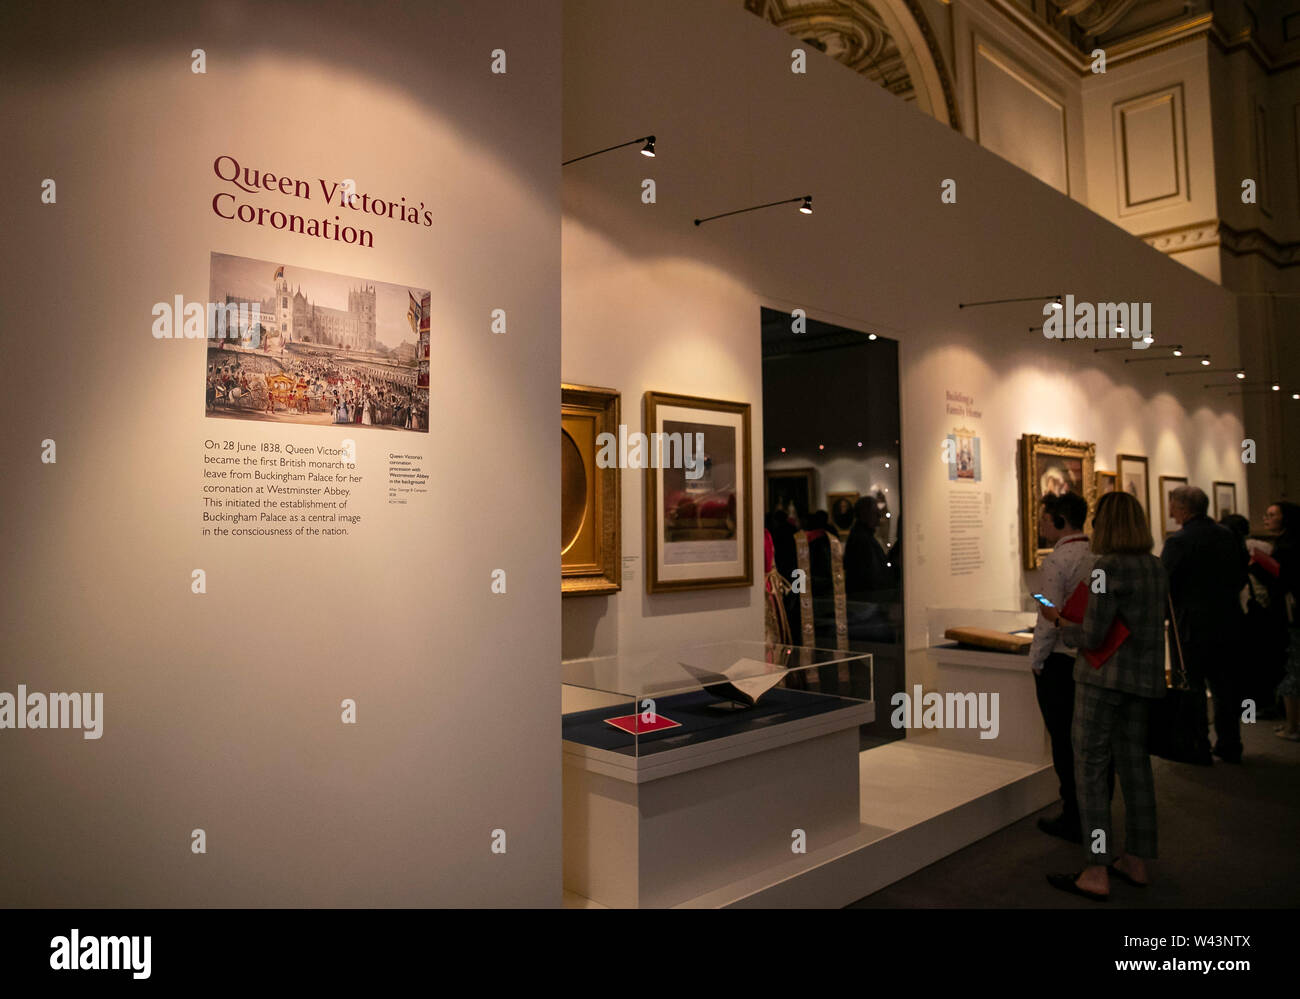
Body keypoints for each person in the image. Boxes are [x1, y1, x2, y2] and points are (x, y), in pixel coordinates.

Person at [1040, 490, 1168, 901]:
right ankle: (1137, 859)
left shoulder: (1105, 568)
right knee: (1136, 769)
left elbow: (1092, 635)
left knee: (1091, 771)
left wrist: (1061, 622)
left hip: (1100, 681)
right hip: (1142, 682)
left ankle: (1096, 869)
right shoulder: (1155, 566)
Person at [1161, 485, 1247, 763]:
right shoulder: (1227, 535)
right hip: (1227, 621)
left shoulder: (1179, 542)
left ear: (1184, 508)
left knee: (1190, 686)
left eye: (1172, 505)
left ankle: (1197, 745)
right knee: (1225, 687)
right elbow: (1240, 577)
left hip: (1189, 627)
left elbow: (1165, 584)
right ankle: (1230, 743)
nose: (1170, 510)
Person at [1027, 491, 1095, 842]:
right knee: (1087, 741)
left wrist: (1036, 660)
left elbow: (1047, 617)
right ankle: (1092, 814)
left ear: (1059, 521)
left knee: (1064, 741)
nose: (1040, 525)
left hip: (1060, 661)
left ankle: (1073, 815)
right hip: (1089, 658)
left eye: (1043, 519)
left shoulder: (1057, 562)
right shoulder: (1094, 554)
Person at [1263, 501, 1300, 740]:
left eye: (1271, 515)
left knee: (1294, 666)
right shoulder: (1288, 544)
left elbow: (1281, 582)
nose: (1266, 518)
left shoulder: (1287, 548)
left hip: (1293, 614)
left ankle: (1292, 727)